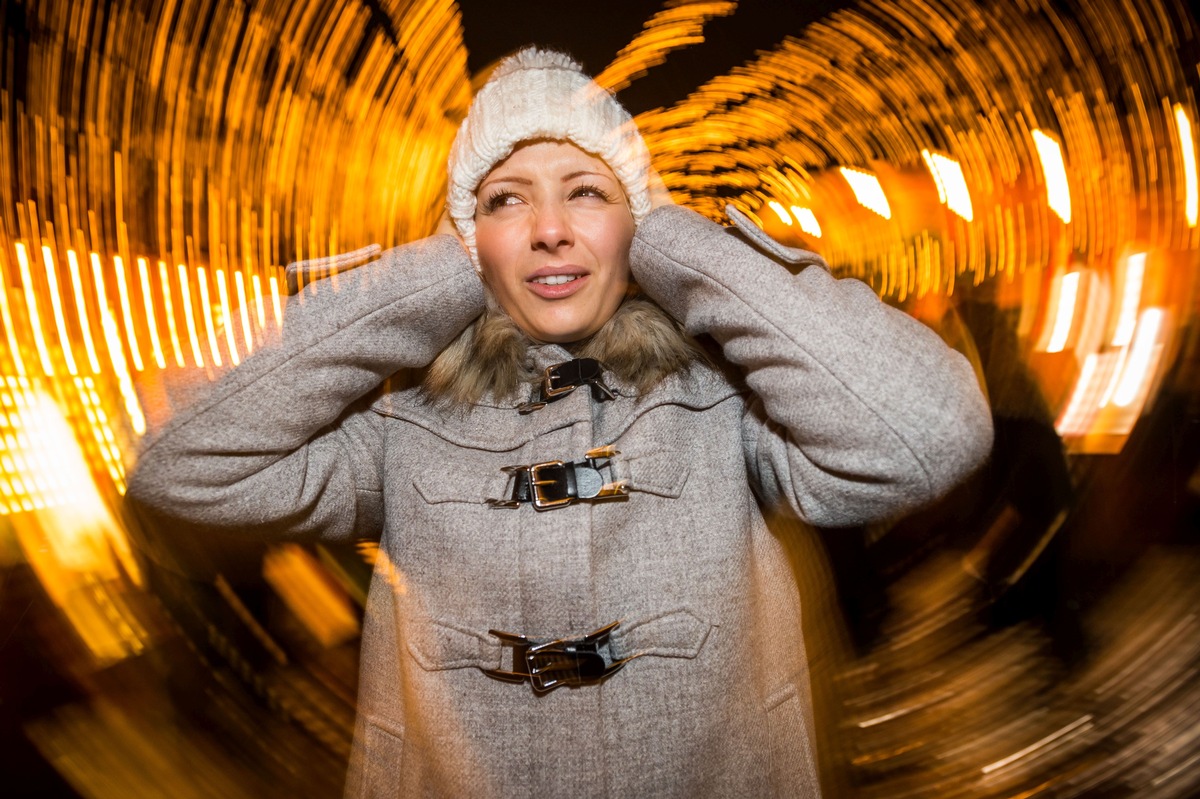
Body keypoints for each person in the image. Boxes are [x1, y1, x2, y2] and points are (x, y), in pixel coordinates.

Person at [127, 47, 993, 798]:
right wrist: (432, 278)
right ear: (468, 240)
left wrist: (678, 248)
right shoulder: (398, 419)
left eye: (586, 191)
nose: (547, 229)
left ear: (637, 220)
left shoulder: (731, 399)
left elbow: (931, 431)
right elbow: (177, 459)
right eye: (504, 201)